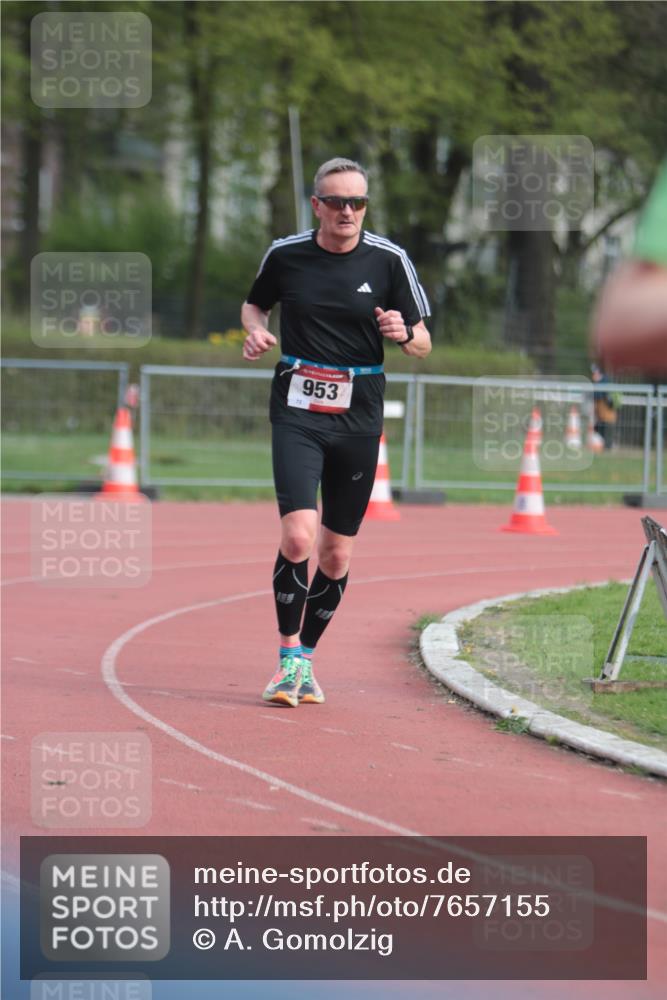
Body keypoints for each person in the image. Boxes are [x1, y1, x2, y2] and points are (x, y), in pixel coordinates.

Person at [241, 157, 432, 707]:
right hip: (297, 407)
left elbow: (422, 342)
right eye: (338, 201)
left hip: (359, 413)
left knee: (335, 556)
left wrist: (404, 333)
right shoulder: (286, 253)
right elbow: (255, 305)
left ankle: (305, 661)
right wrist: (257, 332)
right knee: (298, 535)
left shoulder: (390, 259)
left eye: (359, 202)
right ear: (317, 204)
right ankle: (285, 656)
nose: (349, 212)